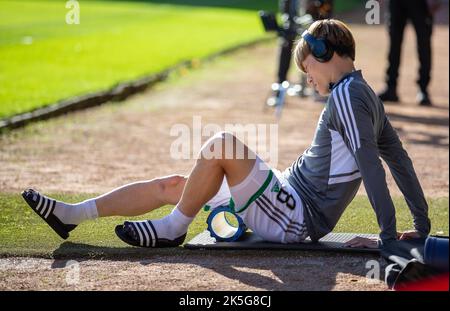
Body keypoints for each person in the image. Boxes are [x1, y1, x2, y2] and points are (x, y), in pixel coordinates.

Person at [22, 19, 430, 249]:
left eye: (308, 66)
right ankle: (71, 215)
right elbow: (400, 162)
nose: (307, 77)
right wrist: (422, 225)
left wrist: (388, 238)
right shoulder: (365, 97)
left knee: (221, 145)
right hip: (285, 193)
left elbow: (372, 166)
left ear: (325, 54)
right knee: (179, 186)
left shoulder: (346, 97)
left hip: (295, 215)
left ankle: (173, 229)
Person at [378, 0, 442, 106]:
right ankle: (391, 88)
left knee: (423, 43)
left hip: (421, 3)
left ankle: (423, 89)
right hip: (396, 3)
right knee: (394, 43)